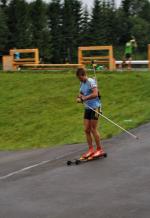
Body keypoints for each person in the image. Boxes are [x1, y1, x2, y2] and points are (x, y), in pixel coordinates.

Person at [76, 68, 105, 160]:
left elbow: (95, 94)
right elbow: (80, 93)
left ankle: (99, 149)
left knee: (93, 129)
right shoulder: (82, 83)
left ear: (83, 75)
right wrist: (79, 98)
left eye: (80, 78)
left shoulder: (90, 81)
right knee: (86, 129)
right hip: (88, 108)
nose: (79, 80)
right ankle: (91, 149)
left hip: (96, 107)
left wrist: (84, 98)